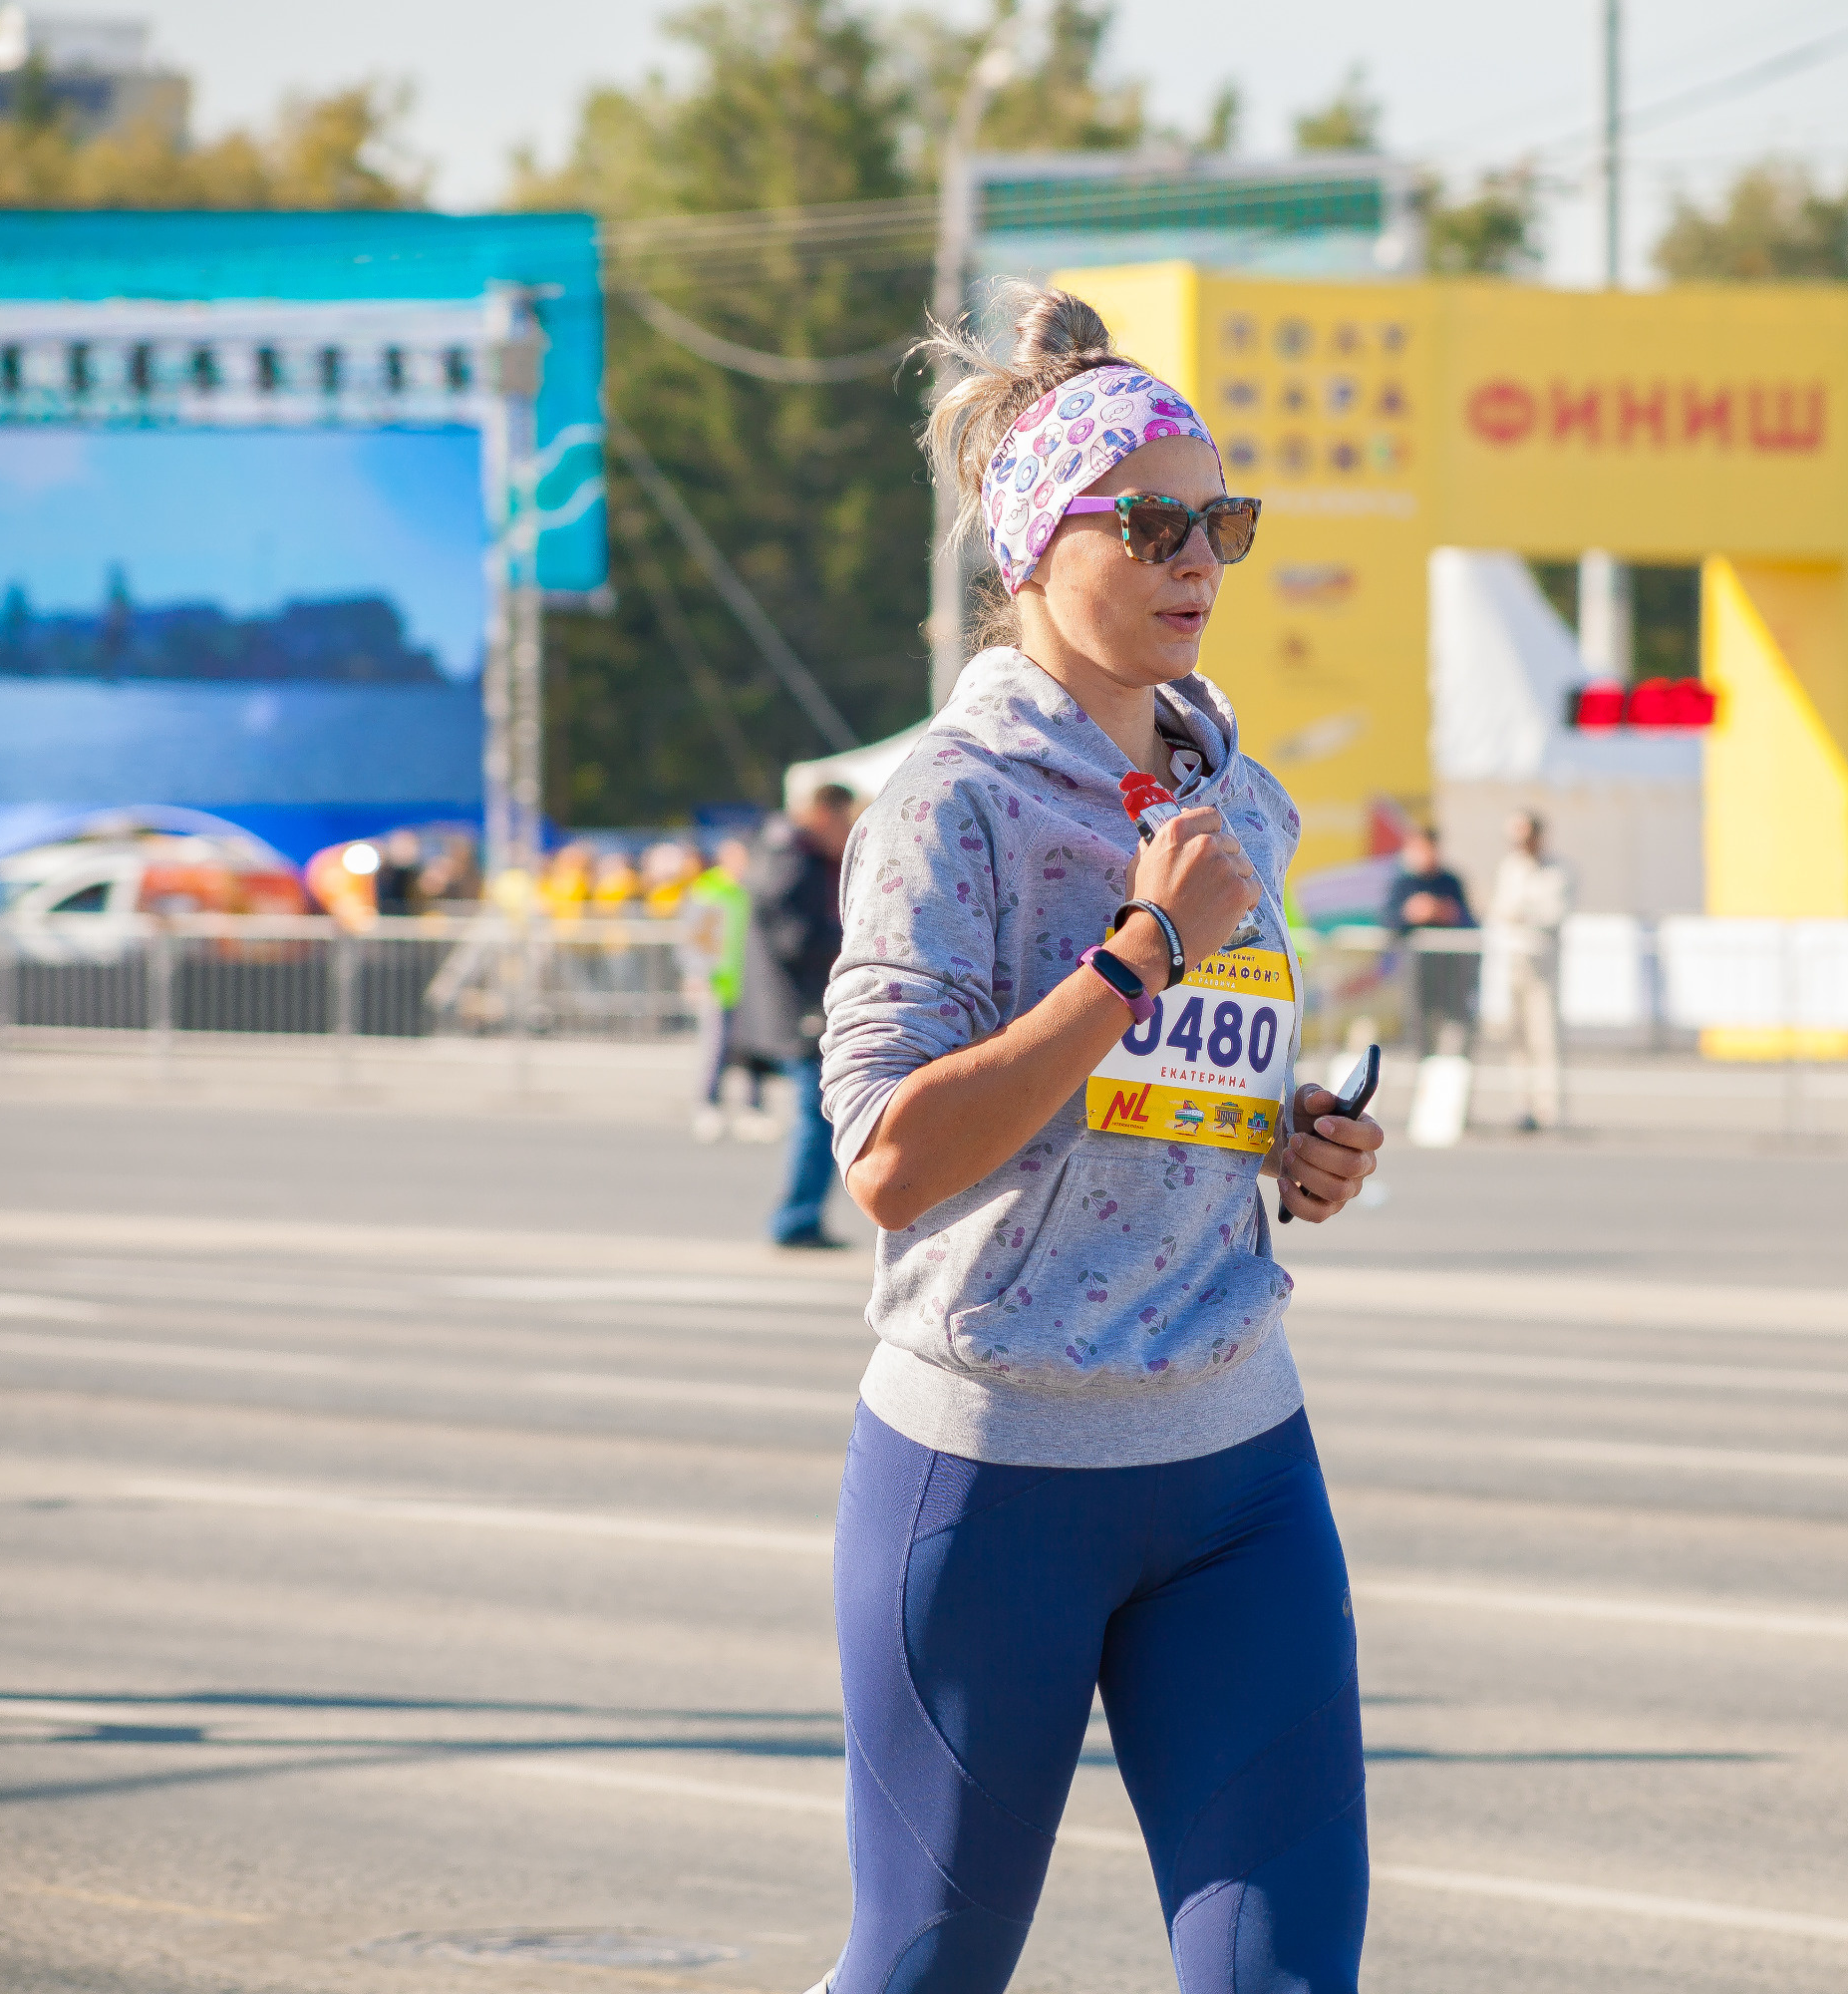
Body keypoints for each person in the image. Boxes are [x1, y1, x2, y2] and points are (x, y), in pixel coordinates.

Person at [812, 284, 1384, 1994]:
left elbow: (1182, 1088)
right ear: (1028, 550)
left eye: (1223, 518)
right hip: (992, 1473)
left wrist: (1294, 1143)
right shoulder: (950, 807)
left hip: (1235, 1465)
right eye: (1148, 519)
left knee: (1286, 1974)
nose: (1195, 553)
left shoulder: (1238, 801)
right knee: (928, 1969)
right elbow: (891, 1162)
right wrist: (1134, 958)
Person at [740, 785, 855, 1247]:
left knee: (816, 1113)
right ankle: (797, 1218)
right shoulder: (795, 858)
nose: (848, 830)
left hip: (789, 1006)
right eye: (844, 818)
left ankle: (799, 1216)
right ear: (822, 813)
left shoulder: (779, 849)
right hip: (800, 1008)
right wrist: (851, 939)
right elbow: (794, 938)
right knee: (817, 1114)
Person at [1483, 809, 1572, 1132]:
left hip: (1543, 965)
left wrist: (1520, 911)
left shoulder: (1558, 871)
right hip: (1513, 961)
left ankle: (1550, 1108)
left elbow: (1551, 914)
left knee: (1544, 1037)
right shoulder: (1510, 868)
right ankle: (1522, 1106)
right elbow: (1498, 909)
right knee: (1516, 1038)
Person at [687, 835, 764, 1142]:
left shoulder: (752, 890)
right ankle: (708, 1104)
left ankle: (752, 1107)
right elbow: (696, 937)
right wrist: (697, 973)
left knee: (753, 1049)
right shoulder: (710, 890)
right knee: (715, 1048)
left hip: (750, 983)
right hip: (719, 982)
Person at [1386, 824, 1476, 1057]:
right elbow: (1389, 922)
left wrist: (1449, 913)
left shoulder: (1451, 882)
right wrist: (1411, 913)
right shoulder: (1403, 883)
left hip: (1451, 975)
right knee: (1419, 1031)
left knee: (1453, 1033)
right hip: (1417, 974)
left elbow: (1470, 923)